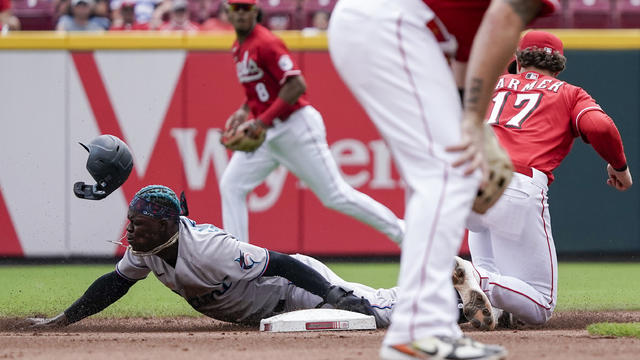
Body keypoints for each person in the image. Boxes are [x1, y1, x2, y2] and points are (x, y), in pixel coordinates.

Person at [328, 0, 559, 359]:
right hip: (392, 23)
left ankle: (427, 327)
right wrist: (471, 124)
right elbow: (505, 19)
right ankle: (420, 330)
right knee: (445, 173)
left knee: (444, 173)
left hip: (382, 26)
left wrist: (474, 126)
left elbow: (467, 57)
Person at [453, 30, 633, 331]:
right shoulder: (568, 92)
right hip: (515, 183)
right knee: (540, 305)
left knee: (495, 285)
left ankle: (480, 287)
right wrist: (620, 167)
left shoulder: (491, 83)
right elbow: (600, 127)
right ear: (559, 67)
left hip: (466, 181)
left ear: (518, 62)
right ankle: (476, 276)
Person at [26, 185, 397, 329]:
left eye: (138, 224)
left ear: (165, 225)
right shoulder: (147, 252)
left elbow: (282, 263)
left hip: (291, 290)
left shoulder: (210, 248)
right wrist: (64, 319)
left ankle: (448, 295)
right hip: (269, 312)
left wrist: (333, 294)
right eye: (130, 222)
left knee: (374, 314)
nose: (130, 232)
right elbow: (114, 284)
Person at [219, 0, 406, 246]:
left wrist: (261, 122)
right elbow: (261, 87)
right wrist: (245, 110)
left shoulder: (266, 43)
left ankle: (405, 234)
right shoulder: (239, 46)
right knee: (231, 185)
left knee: (336, 195)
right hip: (267, 131)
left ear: (255, 12)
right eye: (236, 9)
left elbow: (296, 86)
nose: (241, 14)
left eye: (246, 8)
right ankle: (237, 258)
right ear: (228, 13)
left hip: (294, 126)